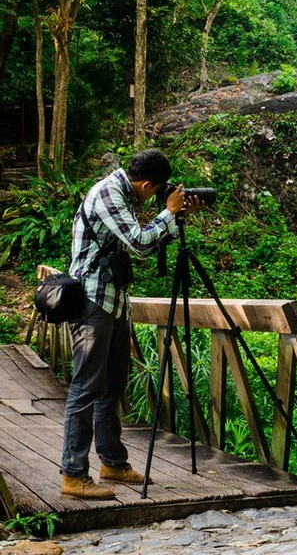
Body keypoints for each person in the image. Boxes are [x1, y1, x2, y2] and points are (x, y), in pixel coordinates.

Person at [61, 149, 198, 500]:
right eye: (155, 191)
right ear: (147, 183)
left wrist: (173, 220)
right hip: (93, 301)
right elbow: (138, 242)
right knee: (86, 388)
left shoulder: (125, 193)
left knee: (112, 387)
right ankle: (74, 475)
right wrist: (167, 214)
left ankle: (113, 464)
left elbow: (144, 242)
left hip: (115, 301)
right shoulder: (108, 193)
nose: (155, 197)